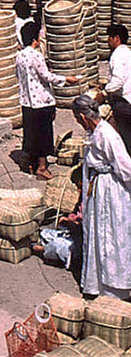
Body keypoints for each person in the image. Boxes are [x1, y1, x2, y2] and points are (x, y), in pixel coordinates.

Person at [72, 95, 131, 300]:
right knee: (99, 234)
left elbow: (125, 167)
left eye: (78, 120)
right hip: (98, 190)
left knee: (111, 236)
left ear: (83, 117)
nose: (79, 124)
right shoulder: (95, 132)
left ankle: (115, 286)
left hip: (110, 191)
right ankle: (98, 283)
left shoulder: (107, 135)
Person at [16, 22, 78, 180]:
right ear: (34, 38)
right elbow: (47, 76)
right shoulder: (35, 55)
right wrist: (66, 79)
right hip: (41, 101)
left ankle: (31, 163)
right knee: (43, 135)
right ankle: (42, 168)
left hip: (27, 102)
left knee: (31, 133)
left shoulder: (20, 55)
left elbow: (19, 77)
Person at [101, 24, 131, 156]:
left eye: (110, 37)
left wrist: (104, 92)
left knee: (124, 141)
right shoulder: (128, 52)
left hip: (123, 103)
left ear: (116, 38)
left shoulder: (118, 55)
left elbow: (118, 81)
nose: (108, 40)